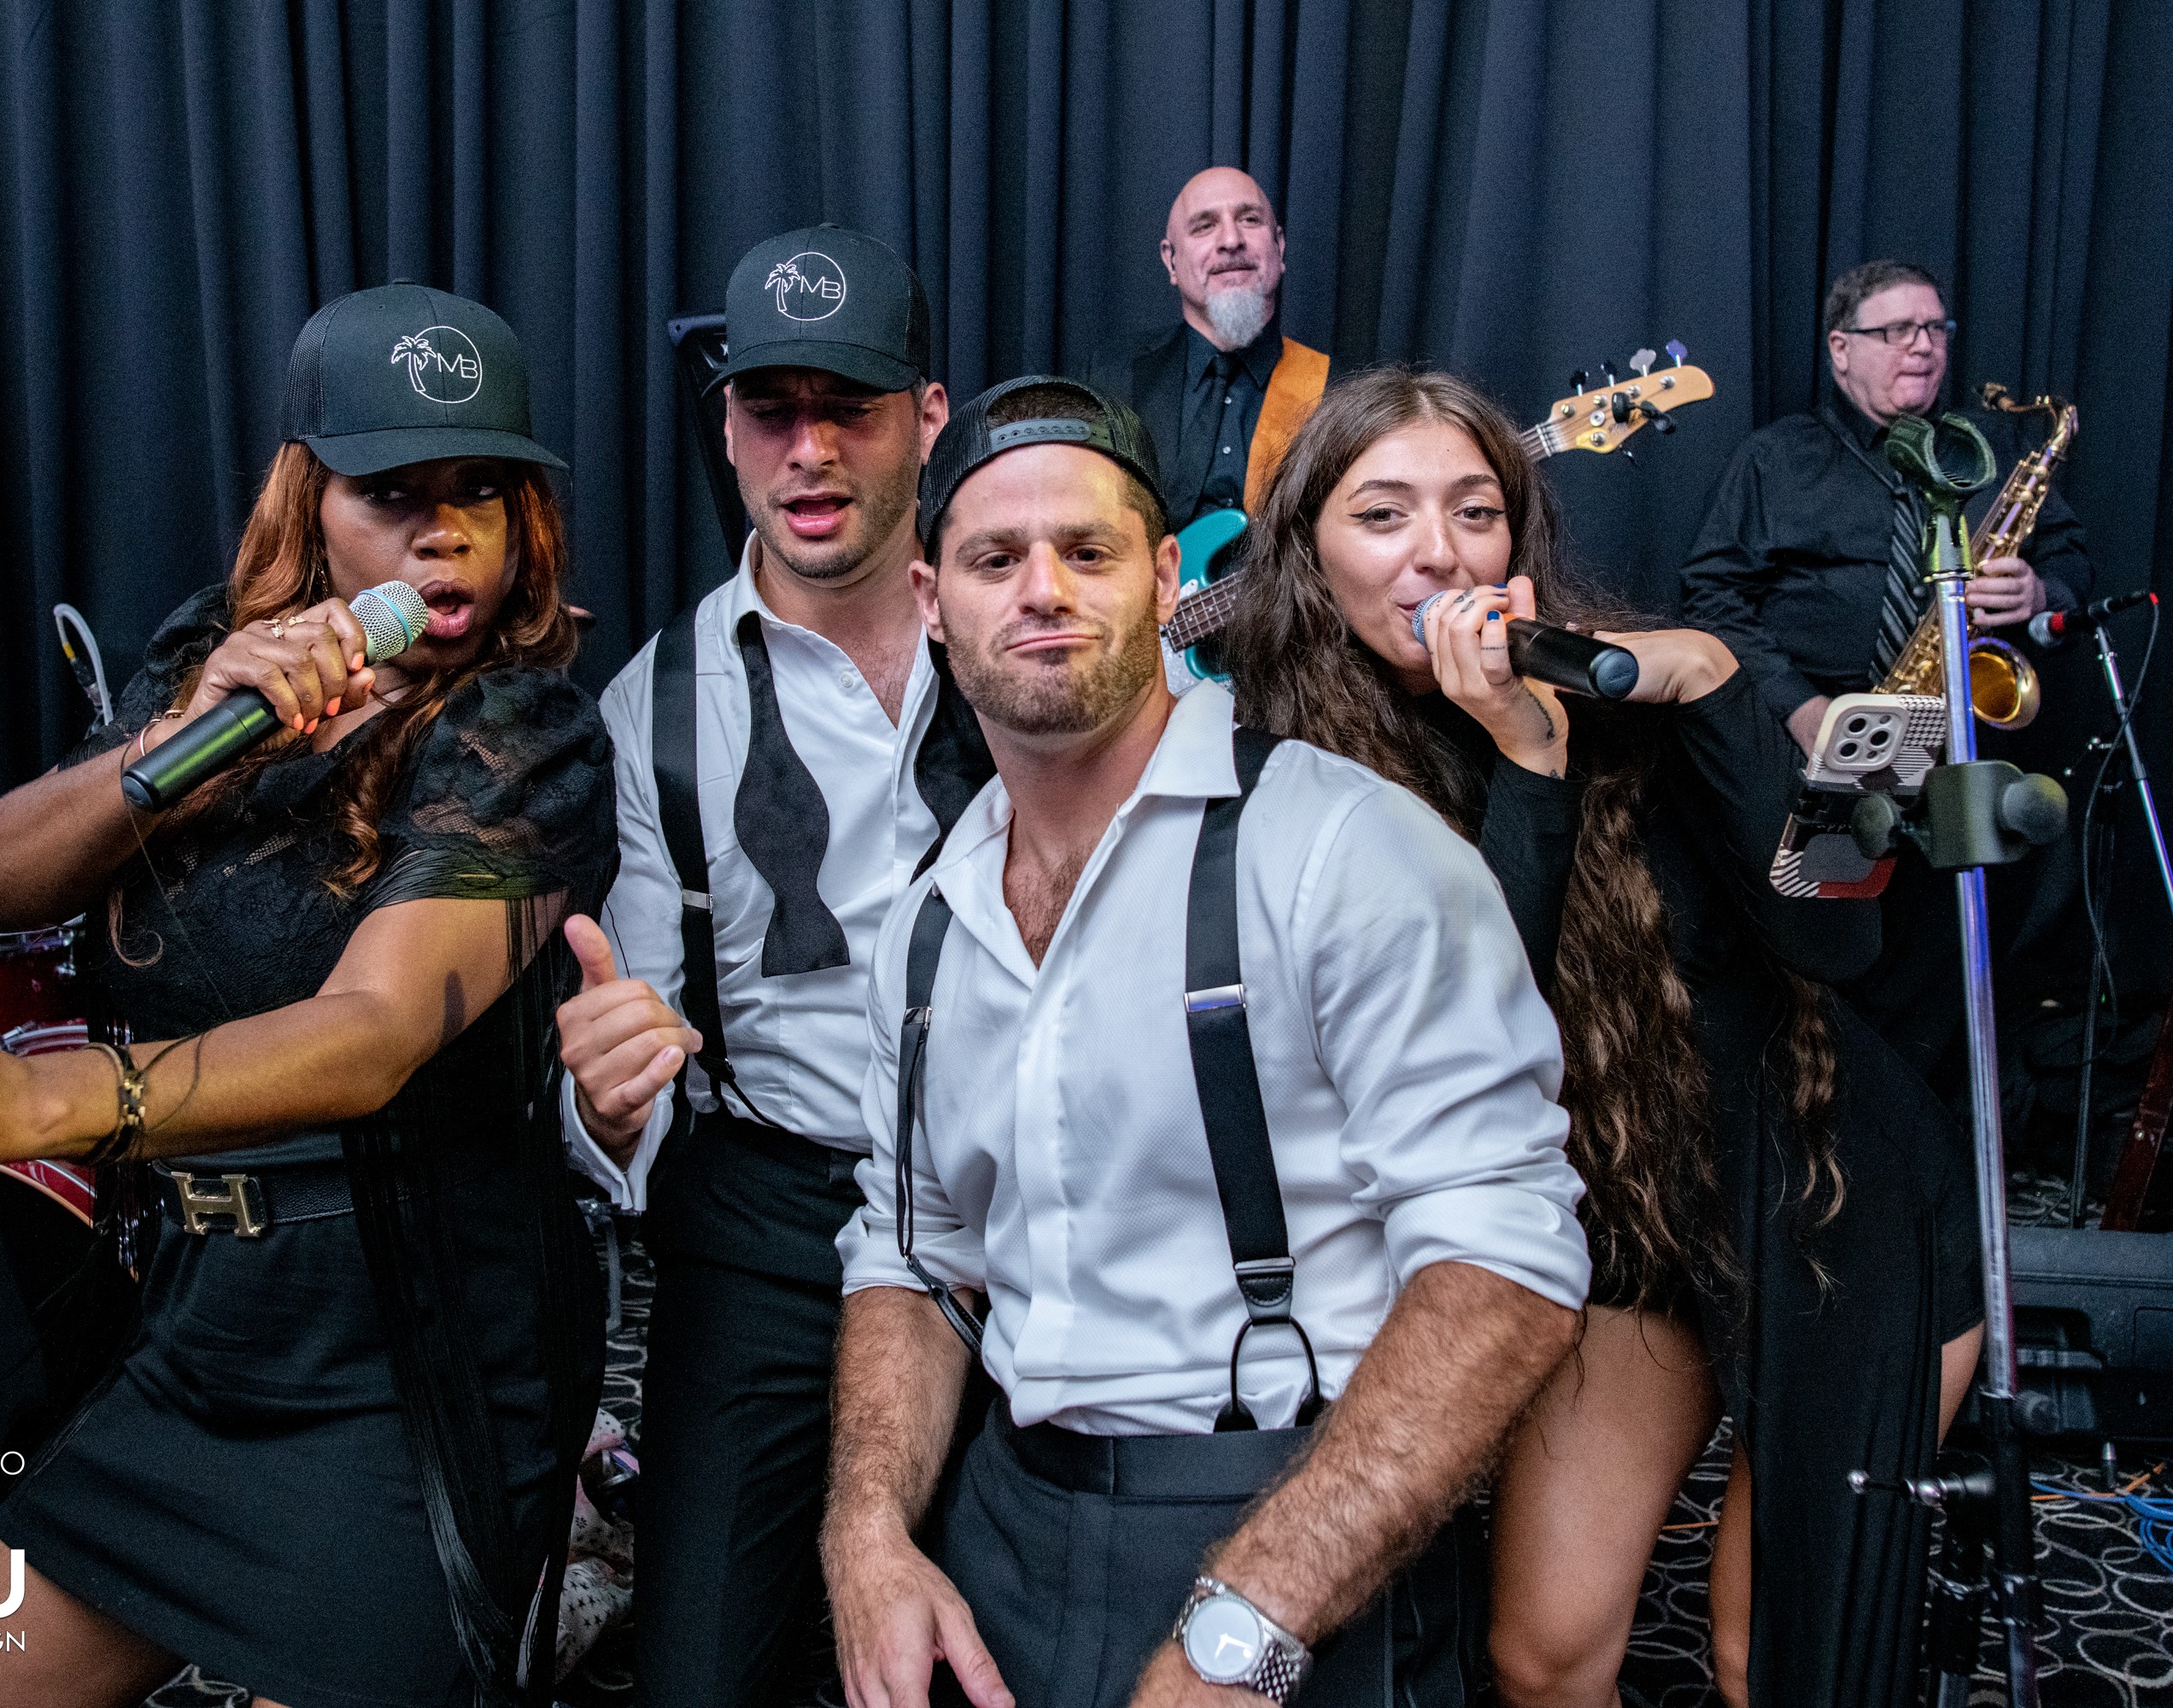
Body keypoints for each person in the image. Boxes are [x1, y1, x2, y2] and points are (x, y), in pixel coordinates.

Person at [0, 284, 616, 1708]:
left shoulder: (526, 730)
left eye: (481, 488)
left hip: (410, 1357)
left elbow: (369, 1037)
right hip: (195, 1325)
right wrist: (191, 738)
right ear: (309, 505)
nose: (444, 531)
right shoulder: (210, 666)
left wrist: (25, 1099)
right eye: (391, 493)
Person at [823, 376, 1590, 1708]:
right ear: (932, 602)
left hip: (1293, 1528)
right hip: (1008, 1528)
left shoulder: (1343, 849)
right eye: (997, 560)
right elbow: (914, 1255)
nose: (1044, 590)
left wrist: (1244, 1632)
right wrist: (869, 1530)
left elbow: (1503, 1266)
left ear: (1168, 576)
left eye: (1089, 551)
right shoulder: (928, 925)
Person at [1226, 366, 1986, 1708]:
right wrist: (1526, 761)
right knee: (1545, 1653)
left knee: (1772, 1655)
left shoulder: (1623, 681)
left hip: (1827, 1195)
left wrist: (1721, 686)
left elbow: (1838, 936)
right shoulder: (1287, 770)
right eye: (1384, 515)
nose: (1439, 553)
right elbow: (1478, 1023)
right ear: (1309, 555)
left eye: (1475, 512)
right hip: (1626, 1225)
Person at [552, 223, 976, 1708]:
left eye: (848, 407)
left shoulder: (1029, 628)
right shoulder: (653, 708)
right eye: (770, 410)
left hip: (1034, 1197)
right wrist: (607, 1102)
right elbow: (633, 1048)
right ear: (727, 429)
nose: (809, 451)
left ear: (927, 416)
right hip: (773, 1221)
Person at [1679, 259, 2092, 1084]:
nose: (1923, 346)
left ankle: (1920, 1128)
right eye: (1897, 330)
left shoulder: (1986, 453)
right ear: (1841, 348)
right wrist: (1799, 707)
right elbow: (1710, 595)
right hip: (1820, 752)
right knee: (1826, 958)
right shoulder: (1776, 459)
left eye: (1935, 328)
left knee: (1938, 972)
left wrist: (2040, 590)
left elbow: (2071, 557)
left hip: (1954, 752)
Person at [1085, 167, 1329, 528]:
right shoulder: (1114, 375)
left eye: (1249, 219)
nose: (1231, 240)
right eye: (1204, 226)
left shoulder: (1335, 388)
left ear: (1279, 247)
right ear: (1171, 260)